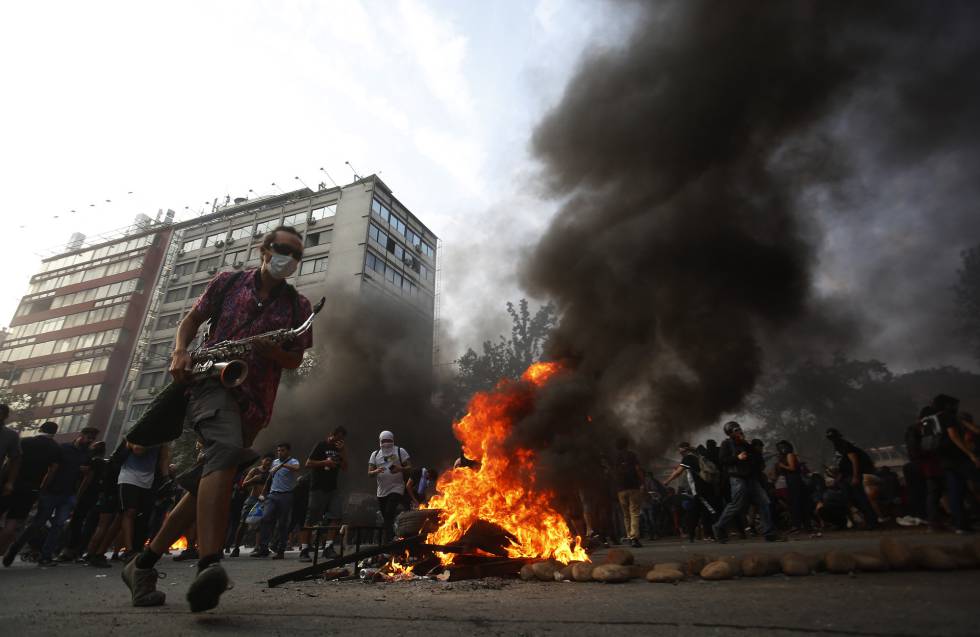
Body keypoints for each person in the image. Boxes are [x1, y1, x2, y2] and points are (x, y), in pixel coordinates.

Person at [124, 225, 314, 612]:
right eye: (283, 249)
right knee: (225, 452)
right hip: (212, 382)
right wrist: (180, 352)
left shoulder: (299, 307)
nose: (289, 259)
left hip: (256, 404)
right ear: (264, 249)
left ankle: (141, 565)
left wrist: (272, 351)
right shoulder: (228, 283)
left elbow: (295, 359)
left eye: (297, 255)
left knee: (209, 482)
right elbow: (190, 322)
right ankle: (209, 566)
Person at [5, 426, 98, 566]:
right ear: (81, 435)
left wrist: (78, 495)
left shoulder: (88, 454)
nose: (90, 440)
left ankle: (45, 556)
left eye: (92, 438)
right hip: (52, 491)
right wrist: (43, 488)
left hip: (69, 494)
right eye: (89, 437)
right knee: (38, 523)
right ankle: (16, 547)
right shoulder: (63, 448)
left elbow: (88, 476)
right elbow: (52, 469)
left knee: (59, 525)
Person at [712, 421, 777, 543]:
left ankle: (769, 533)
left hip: (751, 478)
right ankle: (718, 527)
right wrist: (737, 458)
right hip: (737, 479)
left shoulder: (745, 444)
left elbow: (757, 456)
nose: (739, 431)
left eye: (739, 429)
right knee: (736, 505)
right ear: (730, 433)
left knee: (764, 502)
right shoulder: (726, 444)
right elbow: (722, 460)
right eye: (735, 430)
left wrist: (746, 444)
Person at [932, 394, 980, 533]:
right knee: (975, 484)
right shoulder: (948, 417)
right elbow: (953, 436)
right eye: (954, 405)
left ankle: (960, 524)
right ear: (948, 405)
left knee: (955, 492)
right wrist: (971, 454)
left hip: (944, 460)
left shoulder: (933, 419)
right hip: (958, 459)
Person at [299, 426, 347, 562]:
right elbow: (308, 463)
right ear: (331, 434)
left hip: (333, 488)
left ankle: (328, 547)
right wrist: (324, 462)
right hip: (318, 487)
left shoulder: (340, 450)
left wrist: (343, 451)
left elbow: (345, 467)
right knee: (311, 519)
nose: (338, 440)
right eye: (337, 436)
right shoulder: (321, 445)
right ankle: (304, 550)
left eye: (341, 438)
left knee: (336, 516)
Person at [116, 442, 169, 560]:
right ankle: (129, 550)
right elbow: (138, 450)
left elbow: (164, 458)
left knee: (144, 516)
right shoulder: (138, 432)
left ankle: (136, 547)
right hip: (129, 477)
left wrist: (166, 478)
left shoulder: (163, 438)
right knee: (130, 512)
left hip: (148, 480)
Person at [253, 443, 300, 559]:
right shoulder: (274, 462)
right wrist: (263, 493)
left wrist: (283, 466)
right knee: (265, 518)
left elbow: (297, 468)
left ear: (288, 451)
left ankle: (280, 550)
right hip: (273, 495)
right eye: (278, 450)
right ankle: (263, 548)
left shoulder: (293, 461)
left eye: (282, 450)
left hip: (286, 495)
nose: (280, 452)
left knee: (282, 524)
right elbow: (270, 478)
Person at [825, 427, 878, 530]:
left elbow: (854, 461)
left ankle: (872, 521)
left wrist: (855, 476)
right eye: (830, 437)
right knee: (850, 499)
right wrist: (838, 478)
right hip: (845, 476)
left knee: (861, 499)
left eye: (833, 436)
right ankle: (863, 521)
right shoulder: (837, 446)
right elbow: (843, 464)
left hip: (851, 476)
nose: (832, 439)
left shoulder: (845, 445)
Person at [664, 442, 717, 543]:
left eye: (680, 451)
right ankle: (702, 535)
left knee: (707, 511)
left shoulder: (688, 458)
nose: (680, 453)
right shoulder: (698, 456)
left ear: (683, 449)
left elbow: (678, 472)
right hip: (704, 488)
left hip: (700, 489)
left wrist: (667, 481)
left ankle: (703, 534)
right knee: (697, 512)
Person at [368, 430, 411, 544]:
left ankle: (389, 541)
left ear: (393, 440)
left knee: (389, 512)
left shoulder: (400, 451)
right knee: (386, 517)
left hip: (397, 487)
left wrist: (400, 469)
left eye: (388, 440)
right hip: (381, 491)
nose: (386, 443)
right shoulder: (375, 454)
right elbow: (369, 473)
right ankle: (391, 537)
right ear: (380, 441)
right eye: (384, 441)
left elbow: (409, 467)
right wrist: (376, 471)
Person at [229, 455, 271, 557]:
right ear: (262, 460)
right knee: (243, 523)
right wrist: (254, 479)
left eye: (270, 461)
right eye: (267, 460)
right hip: (252, 499)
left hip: (263, 500)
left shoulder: (271, 473)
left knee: (261, 524)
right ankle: (236, 548)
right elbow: (244, 484)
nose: (268, 462)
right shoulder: (255, 470)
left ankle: (259, 548)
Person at [612, 437, 644, 548]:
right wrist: (642, 482)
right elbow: (638, 469)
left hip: (620, 489)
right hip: (633, 487)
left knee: (626, 515)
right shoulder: (631, 455)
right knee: (634, 512)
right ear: (627, 444)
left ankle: (629, 536)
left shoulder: (614, 457)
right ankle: (634, 537)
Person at [775, 440, 810, 532]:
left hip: (795, 480)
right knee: (794, 502)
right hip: (790, 480)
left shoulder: (789, 455)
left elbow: (792, 468)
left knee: (797, 502)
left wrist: (782, 466)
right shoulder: (783, 457)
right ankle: (801, 525)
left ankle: (800, 525)